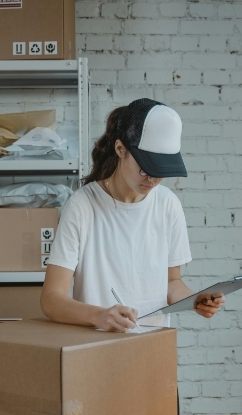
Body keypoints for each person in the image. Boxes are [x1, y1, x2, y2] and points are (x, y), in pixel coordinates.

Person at [41, 98, 225, 332]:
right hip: (95, 348)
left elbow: (171, 282)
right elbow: (51, 300)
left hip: (151, 346)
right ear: (121, 149)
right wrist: (100, 316)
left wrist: (195, 300)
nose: (153, 179)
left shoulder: (168, 205)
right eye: (145, 168)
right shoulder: (82, 206)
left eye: (161, 171)